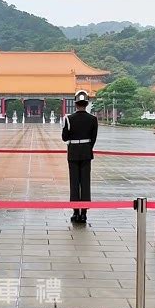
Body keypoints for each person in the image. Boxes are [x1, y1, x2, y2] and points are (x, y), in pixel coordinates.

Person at [62, 90, 98, 224]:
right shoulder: (93, 119)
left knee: (74, 182)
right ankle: (84, 213)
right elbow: (93, 138)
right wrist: (87, 148)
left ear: (75, 104)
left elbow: (64, 138)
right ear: (87, 103)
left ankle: (75, 212)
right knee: (85, 182)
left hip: (73, 152)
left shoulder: (69, 119)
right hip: (86, 151)